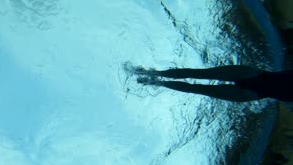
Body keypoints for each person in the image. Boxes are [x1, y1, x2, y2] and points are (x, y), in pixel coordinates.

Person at [123, 62, 293, 102]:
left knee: (198, 83)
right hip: (256, 82)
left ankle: (157, 81)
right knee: (198, 80)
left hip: (255, 88)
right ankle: (154, 75)